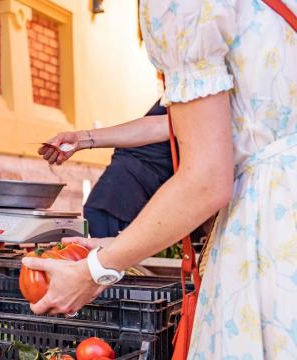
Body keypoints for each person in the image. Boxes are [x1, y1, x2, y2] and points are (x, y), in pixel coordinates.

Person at [26, 1, 297, 358]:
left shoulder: (180, 6)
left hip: (273, 229)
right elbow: (182, 123)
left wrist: (95, 270)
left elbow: (205, 182)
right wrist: (87, 138)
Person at [40, 100, 171, 238]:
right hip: (130, 180)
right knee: (102, 225)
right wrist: (80, 139)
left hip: (163, 180)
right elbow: (160, 126)